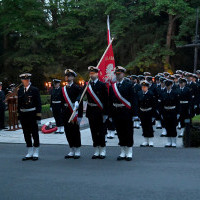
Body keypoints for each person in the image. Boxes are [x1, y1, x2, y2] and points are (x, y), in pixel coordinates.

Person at [109, 66, 138, 161]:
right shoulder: (112, 86)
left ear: (123, 74)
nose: (118, 75)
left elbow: (133, 100)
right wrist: (110, 114)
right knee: (120, 132)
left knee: (128, 132)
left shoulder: (129, 85)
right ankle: (122, 151)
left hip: (126, 111)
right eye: (116, 74)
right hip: (116, 111)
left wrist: (134, 114)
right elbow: (110, 101)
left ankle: (129, 152)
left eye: (120, 73)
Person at [85, 66, 108, 159]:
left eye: (93, 73)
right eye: (90, 73)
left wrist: (105, 113)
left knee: (101, 131)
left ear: (97, 74)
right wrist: (77, 101)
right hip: (91, 110)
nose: (91, 75)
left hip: (100, 111)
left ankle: (102, 150)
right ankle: (96, 150)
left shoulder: (102, 85)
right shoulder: (87, 85)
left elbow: (106, 100)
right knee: (93, 131)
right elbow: (81, 94)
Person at [17, 73, 41, 161]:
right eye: (24, 80)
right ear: (22, 80)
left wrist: (38, 116)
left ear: (29, 80)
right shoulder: (20, 90)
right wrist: (18, 116)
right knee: (26, 133)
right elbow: (18, 104)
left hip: (32, 114)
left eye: (27, 80)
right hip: (23, 114)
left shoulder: (34, 90)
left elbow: (38, 103)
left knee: (34, 133)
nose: (26, 81)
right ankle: (29, 151)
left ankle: (36, 151)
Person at [61, 69, 83, 159]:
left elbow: (80, 102)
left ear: (73, 77)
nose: (67, 77)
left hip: (74, 113)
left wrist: (80, 115)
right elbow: (62, 102)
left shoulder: (77, 88)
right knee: (68, 131)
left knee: (75, 131)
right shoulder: (64, 89)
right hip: (66, 113)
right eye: (66, 75)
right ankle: (71, 149)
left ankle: (77, 150)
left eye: (69, 75)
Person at [159, 79, 180, 148]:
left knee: (173, 126)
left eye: (168, 85)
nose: (167, 87)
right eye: (166, 86)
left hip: (173, 111)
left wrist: (178, 113)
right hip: (166, 111)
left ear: (171, 85)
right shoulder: (163, 94)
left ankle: (174, 142)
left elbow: (178, 104)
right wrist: (161, 113)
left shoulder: (175, 93)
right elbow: (161, 105)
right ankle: (169, 141)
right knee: (167, 126)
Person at [138, 80, 156, 147]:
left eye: (145, 87)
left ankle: (150, 140)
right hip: (142, 111)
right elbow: (138, 104)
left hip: (149, 112)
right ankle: (145, 140)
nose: (144, 88)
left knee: (149, 126)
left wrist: (154, 115)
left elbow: (154, 105)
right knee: (144, 126)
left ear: (148, 87)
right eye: (142, 87)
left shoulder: (151, 94)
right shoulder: (139, 93)